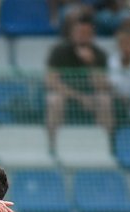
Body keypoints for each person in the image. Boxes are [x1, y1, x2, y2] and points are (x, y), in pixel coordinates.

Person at [46, 14, 115, 145]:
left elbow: (102, 85)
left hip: (92, 96)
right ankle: (52, 144)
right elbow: (51, 81)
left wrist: (91, 64)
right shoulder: (59, 51)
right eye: (79, 32)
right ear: (72, 33)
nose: (82, 36)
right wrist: (79, 97)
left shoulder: (99, 54)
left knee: (105, 100)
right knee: (54, 100)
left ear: (92, 34)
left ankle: (107, 144)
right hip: (66, 95)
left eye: (86, 33)